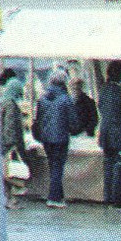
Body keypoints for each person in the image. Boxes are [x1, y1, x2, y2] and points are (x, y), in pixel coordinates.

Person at [33, 68, 79, 208]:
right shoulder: (66, 99)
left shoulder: (42, 98)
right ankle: (54, 198)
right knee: (57, 167)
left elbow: (38, 119)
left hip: (46, 137)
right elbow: (73, 121)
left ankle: (58, 195)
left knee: (53, 165)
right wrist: (75, 130)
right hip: (60, 137)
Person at [97, 60, 121, 207]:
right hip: (117, 134)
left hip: (106, 133)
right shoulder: (117, 91)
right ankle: (118, 199)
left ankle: (108, 196)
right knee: (118, 165)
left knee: (108, 165)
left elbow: (102, 109)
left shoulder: (104, 89)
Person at [0, 70, 28, 207]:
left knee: (6, 172)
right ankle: (9, 200)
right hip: (8, 144)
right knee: (9, 173)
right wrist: (13, 145)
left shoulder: (3, 102)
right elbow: (10, 126)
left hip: (2, 142)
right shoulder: (10, 105)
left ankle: (8, 199)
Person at [69, 72, 98, 138]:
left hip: (86, 136)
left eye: (78, 88)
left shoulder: (89, 102)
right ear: (70, 89)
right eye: (73, 88)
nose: (76, 90)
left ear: (81, 88)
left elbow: (94, 119)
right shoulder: (68, 103)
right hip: (72, 136)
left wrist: (86, 131)